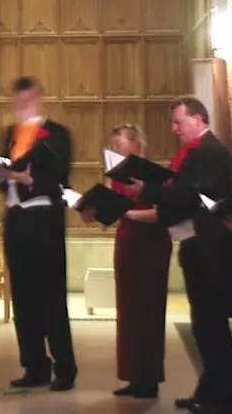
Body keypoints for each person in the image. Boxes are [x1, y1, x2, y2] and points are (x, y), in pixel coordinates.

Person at [128, 97, 232, 414]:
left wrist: (148, 189)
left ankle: (222, 397)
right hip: (195, 243)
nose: (174, 129)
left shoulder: (210, 152)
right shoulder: (195, 152)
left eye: (179, 122)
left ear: (198, 119)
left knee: (211, 324)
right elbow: (180, 189)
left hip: (210, 247)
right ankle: (210, 391)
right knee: (203, 324)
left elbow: (189, 194)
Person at [0, 76, 76, 391]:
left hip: (44, 220)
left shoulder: (55, 134)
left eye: (27, 101)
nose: (22, 106)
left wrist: (31, 181)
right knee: (23, 299)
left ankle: (65, 369)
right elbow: (4, 179)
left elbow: (61, 177)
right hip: (17, 221)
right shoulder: (10, 135)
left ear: (38, 99)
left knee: (51, 298)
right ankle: (34, 366)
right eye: (17, 101)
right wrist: (5, 176)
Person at [88, 123, 171, 399]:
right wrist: (91, 211)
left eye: (119, 145)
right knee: (128, 312)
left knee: (149, 312)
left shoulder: (152, 174)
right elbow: (111, 214)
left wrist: (128, 214)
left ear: (137, 145)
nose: (115, 151)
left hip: (151, 246)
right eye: (112, 147)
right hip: (127, 244)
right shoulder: (117, 178)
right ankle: (134, 376)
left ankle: (149, 379)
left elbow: (162, 214)